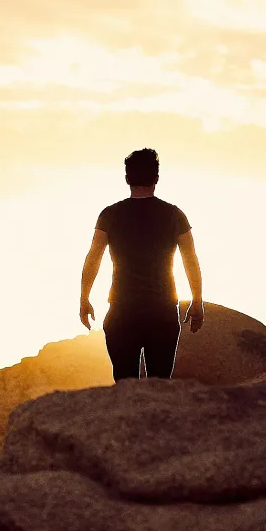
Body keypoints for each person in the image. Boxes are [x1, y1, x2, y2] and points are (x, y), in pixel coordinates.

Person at [78, 148, 204, 381]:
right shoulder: (175, 215)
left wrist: (84, 298)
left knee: (125, 387)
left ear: (127, 179)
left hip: (122, 311)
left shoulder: (109, 215)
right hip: (162, 311)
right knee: (160, 387)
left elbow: (93, 257)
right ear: (156, 178)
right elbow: (190, 260)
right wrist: (197, 300)